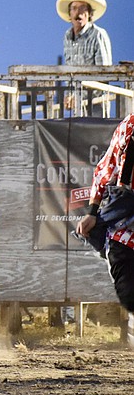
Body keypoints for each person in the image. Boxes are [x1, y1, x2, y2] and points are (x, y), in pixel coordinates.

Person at [76, 113, 134, 347]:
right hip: (123, 228)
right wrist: (92, 211)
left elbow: (105, 170)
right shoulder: (129, 126)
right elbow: (106, 169)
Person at [57, 0, 112, 66]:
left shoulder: (98, 35)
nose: (78, 13)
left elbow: (104, 70)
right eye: (74, 8)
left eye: (83, 8)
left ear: (90, 13)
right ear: (69, 14)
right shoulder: (68, 35)